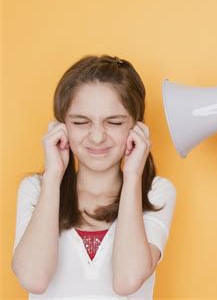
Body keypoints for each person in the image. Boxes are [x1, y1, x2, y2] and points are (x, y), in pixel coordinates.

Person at [12, 55, 176, 299]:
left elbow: (127, 281)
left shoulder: (156, 192)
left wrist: (132, 176)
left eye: (114, 122)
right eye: (81, 122)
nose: (97, 137)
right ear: (61, 127)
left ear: (137, 128)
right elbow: (33, 279)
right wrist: (54, 175)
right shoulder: (36, 189)